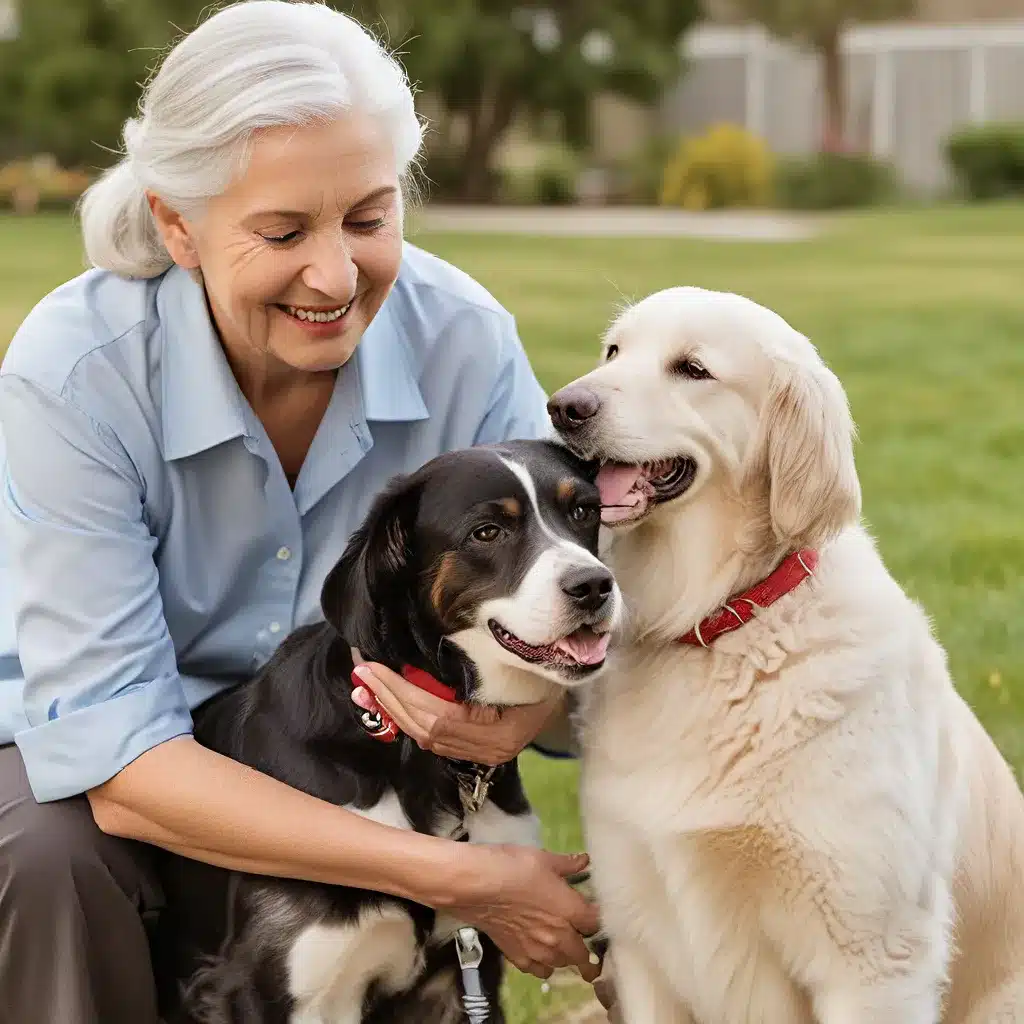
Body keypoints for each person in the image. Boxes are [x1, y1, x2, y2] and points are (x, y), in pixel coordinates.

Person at [0, 3, 601, 1021]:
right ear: (177, 223)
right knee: (43, 853)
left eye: (369, 219)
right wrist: (460, 881)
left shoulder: (462, 338)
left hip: (381, 747)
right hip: (129, 760)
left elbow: (564, 615)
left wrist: (526, 713)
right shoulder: (76, 374)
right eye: (283, 232)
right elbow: (119, 762)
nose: (335, 275)